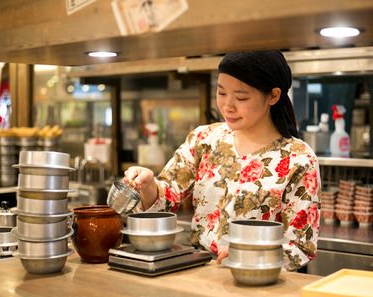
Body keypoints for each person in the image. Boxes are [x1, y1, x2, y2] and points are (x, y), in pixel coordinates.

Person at [124, 50, 321, 271]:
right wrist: (148, 184)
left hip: (258, 284)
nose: (228, 106)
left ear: (273, 96)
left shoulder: (299, 158)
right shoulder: (204, 139)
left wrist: (252, 255)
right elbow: (166, 198)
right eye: (221, 92)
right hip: (200, 275)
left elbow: (301, 245)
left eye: (241, 97)